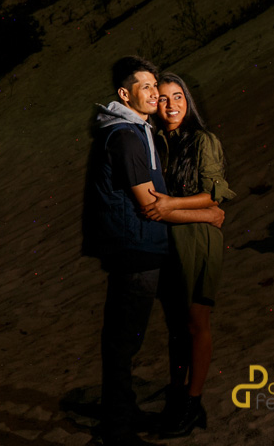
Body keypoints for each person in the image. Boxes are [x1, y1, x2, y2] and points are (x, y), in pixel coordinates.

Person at [83, 57, 224, 446]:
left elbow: (185, 197)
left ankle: (151, 409)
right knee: (125, 342)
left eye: (157, 89)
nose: (155, 96)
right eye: (148, 89)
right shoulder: (132, 136)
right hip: (140, 248)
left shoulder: (145, 132)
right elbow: (150, 205)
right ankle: (119, 427)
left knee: (176, 328)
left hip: (158, 247)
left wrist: (205, 209)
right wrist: (206, 213)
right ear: (125, 94)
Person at [142, 73, 236, 438]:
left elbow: (216, 194)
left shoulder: (203, 140)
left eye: (178, 97)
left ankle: (193, 404)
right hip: (170, 243)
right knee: (176, 327)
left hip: (197, 242)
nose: (171, 105)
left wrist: (172, 206)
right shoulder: (159, 143)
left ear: (188, 100)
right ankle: (177, 397)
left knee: (197, 324)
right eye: (163, 99)